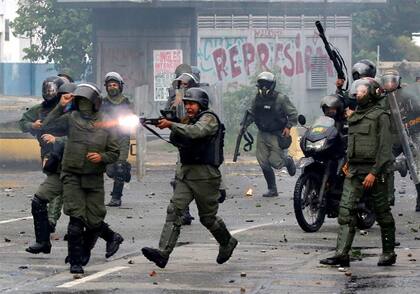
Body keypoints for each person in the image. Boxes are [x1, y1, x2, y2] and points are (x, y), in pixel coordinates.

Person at [141, 87, 237, 268]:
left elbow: (196, 132)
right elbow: (178, 141)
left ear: (201, 104)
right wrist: (170, 124)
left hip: (205, 177)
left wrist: (172, 124)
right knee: (174, 211)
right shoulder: (186, 121)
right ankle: (163, 253)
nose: (189, 107)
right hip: (186, 175)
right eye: (186, 104)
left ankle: (227, 242)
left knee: (208, 218)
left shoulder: (209, 118)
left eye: (192, 103)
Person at [42, 83, 121, 274]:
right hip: (72, 176)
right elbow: (48, 125)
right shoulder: (71, 118)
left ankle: (87, 249)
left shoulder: (107, 121)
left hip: (94, 178)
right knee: (76, 220)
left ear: (95, 103)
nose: (83, 105)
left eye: (86, 101)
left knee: (94, 220)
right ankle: (75, 262)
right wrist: (61, 105)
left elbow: (114, 151)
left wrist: (102, 157)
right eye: (80, 101)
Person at [320, 77, 397, 267]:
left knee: (382, 213)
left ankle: (388, 253)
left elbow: (385, 149)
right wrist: (348, 162)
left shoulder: (381, 116)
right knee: (345, 212)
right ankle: (341, 254)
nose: (358, 94)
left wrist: (374, 172)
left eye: (363, 91)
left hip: (375, 173)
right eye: (358, 91)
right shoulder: (354, 115)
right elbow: (352, 142)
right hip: (354, 171)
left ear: (372, 93)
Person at [19, 76, 67, 254]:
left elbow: (81, 133)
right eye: (47, 90)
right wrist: (33, 124)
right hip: (49, 155)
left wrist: (59, 139)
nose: (49, 94)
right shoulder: (38, 109)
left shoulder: (69, 110)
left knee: (79, 205)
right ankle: (45, 237)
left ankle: (106, 235)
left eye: (53, 90)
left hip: (70, 157)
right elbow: (23, 122)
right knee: (45, 196)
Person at [243, 71, 297, 197]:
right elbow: (251, 114)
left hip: (276, 134)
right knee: (263, 162)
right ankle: (272, 189)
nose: (263, 87)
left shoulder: (280, 99)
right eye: (261, 84)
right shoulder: (257, 99)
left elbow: (293, 114)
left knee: (276, 163)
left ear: (272, 85)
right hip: (262, 134)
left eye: (266, 84)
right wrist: (244, 126)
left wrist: (288, 127)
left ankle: (288, 161)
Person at [101, 72, 133, 207]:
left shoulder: (126, 102)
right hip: (106, 139)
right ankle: (126, 171)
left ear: (120, 86)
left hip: (122, 137)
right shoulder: (102, 102)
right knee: (110, 170)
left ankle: (116, 197)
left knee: (119, 166)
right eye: (109, 85)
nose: (112, 87)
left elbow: (132, 117)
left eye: (114, 84)